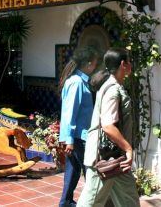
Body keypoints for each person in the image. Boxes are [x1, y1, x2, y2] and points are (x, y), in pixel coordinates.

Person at [77, 48, 140, 207]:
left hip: (116, 158)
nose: (131, 65)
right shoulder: (112, 89)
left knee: (129, 201)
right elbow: (108, 126)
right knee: (91, 202)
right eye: (129, 61)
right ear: (122, 64)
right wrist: (128, 149)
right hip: (103, 158)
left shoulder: (113, 86)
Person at [58, 47, 101, 207]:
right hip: (78, 137)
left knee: (73, 173)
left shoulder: (80, 81)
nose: (96, 67)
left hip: (79, 137)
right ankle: (69, 202)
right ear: (89, 64)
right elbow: (70, 114)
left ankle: (66, 202)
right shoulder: (76, 83)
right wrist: (69, 140)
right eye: (95, 64)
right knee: (89, 174)